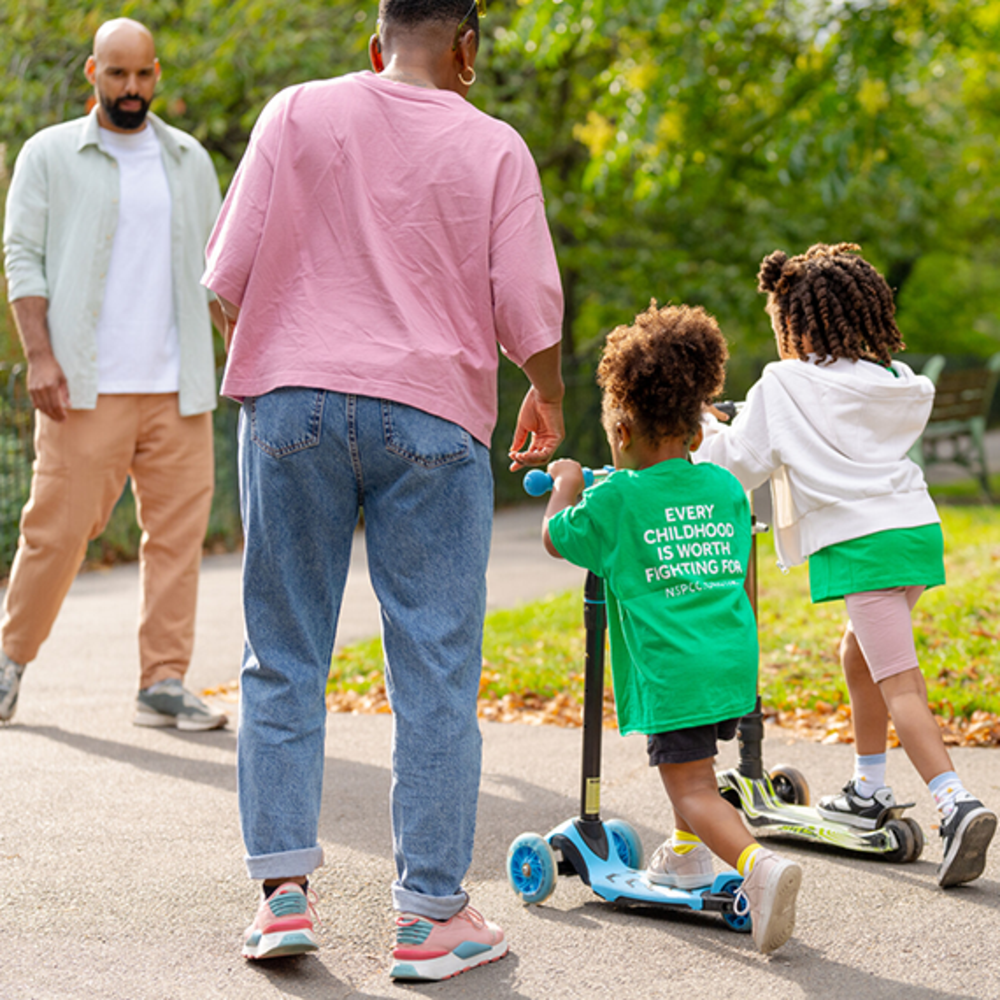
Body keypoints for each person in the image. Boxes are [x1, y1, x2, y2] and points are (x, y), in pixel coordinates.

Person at [201, 0, 565, 981]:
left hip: (290, 404)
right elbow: (528, 305)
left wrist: (283, 367)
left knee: (281, 651)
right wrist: (546, 391)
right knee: (435, 664)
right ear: (467, 51)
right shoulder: (495, 147)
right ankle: (429, 917)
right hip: (432, 417)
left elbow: (225, 275)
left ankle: (281, 900)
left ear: (374, 44)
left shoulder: (294, 113)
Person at [698, 242, 997, 888]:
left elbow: (736, 461)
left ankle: (956, 804)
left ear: (796, 325)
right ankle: (868, 788)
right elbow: (822, 421)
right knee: (856, 655)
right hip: (913, 535)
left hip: (862, 548)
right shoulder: (889, 382)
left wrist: (700, 430)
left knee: (900, 683)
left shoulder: (785, 382)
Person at [541, 302, 802, 955]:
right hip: (731, 659)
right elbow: (739, 566)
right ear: (693, 433)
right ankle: (686, 855)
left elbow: (554, 535)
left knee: (688, 784)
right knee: (699, 768)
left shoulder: (614, 499)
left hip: (676, 669)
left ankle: (760, 868)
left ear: (621, 430)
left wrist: (568, 482)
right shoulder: (721, 487)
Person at [0, 18, 226, 731]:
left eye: (143, 75)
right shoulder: (50, 155)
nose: (131, 89)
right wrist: (39, 355)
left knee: (177, 541)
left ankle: (163, 679)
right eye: (117, 74)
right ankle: (9, 660)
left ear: (157, 73)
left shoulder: (189, 160)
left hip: (179, 388)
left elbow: (221, 274)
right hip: (82, 388)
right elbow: (22, 258)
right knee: (55, 534)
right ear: (92, 73)